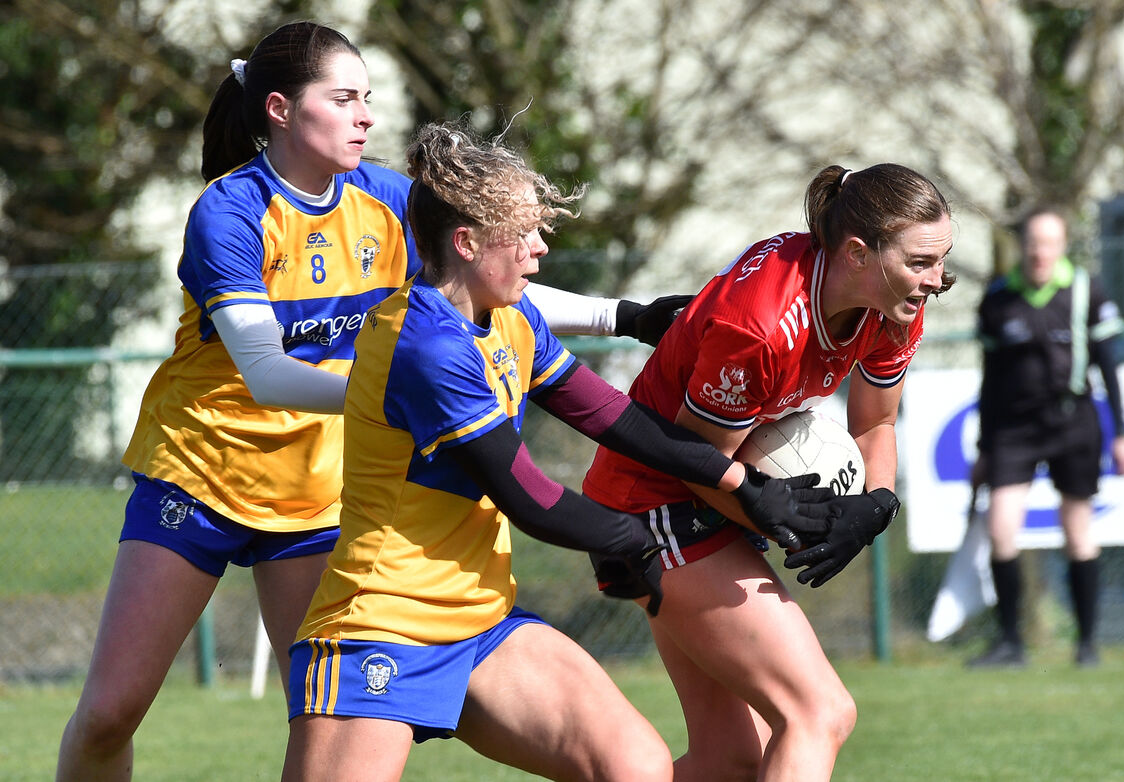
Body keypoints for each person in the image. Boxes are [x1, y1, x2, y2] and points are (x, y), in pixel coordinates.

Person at [56, 21, 686, 782]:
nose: (367, 116)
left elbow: (485, 264)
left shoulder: (386, 197)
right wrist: (395, 396)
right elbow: (265, 373)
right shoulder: (230, 211)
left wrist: (622, 316)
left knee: (325, 718)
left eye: (369, 98)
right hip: (201, 475)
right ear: (283, 110)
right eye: (345, 97)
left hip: (317, 492)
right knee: (109, 714)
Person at [280, 121, 834, 781]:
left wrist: (742, 484)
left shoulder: (511, 318)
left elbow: (614, 417)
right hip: (381, 623)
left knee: (633, 766)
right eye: (526, 235)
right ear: (467, 242)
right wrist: (632, 538)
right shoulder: (426, 346)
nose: (541, 250)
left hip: (482, 618)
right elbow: (528, 495)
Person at [583, 163, 956, 782]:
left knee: (729, 762)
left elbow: (875, 425)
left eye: (941, 259)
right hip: (653, 502)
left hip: (706, 494)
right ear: (858, 253)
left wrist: (877, 503)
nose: (936, 280)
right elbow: (700, 465)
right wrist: (794, 519)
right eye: (921, 261)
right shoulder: (760, 325)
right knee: (819, 712)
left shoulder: (894, 304)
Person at [968, 207, 1124, 669]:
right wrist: (984, 448)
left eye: (1050, 243)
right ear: (1023, 246)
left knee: (1077, 531)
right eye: (1033, 243)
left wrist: (1120, 432)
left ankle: (1086, 645)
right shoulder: (999, 297)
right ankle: (1010, 644)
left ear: (1063, 246)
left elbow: (1109, 368)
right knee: (1002, 528)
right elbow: (989, 378)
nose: (1041, 252)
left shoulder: (1086, 290)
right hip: (1012, 429)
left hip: (1072, 422)